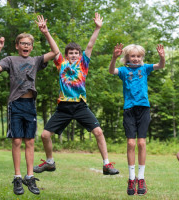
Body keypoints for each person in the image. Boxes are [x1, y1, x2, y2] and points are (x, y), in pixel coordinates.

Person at [33, 13, 119, 176]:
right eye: (70, 53)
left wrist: (97, 28)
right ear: (66, 56)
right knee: (45, 135)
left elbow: (90, 46)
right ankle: (50, 162)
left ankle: (106, 164)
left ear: (80, 55)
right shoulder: (61, 64)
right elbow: (55, 49)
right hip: (64, 107)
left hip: (80, 105)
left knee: (99, 132)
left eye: (76, 53)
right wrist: (46, 33)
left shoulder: (83, 64)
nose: (73, 55)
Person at [0, 15, 59, 195]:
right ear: (17, 45)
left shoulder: (36, 60)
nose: (26, 46)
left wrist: (46, 32)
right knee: (17, 141)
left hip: (30, 104)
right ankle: (17, 177)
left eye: (29, 44)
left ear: (32, 47)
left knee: (29, 141)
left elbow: (55, 52)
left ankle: (30, 177)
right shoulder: (10, 60)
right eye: (23, 43)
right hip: (15, 104)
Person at [108, 43, 166, 195]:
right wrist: (114, 58)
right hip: (129, 109)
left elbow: (160, 66)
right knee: (131, 143)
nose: (135, 58)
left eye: (138, 56)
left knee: (141, 143)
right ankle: (131, 178)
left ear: (142, 58)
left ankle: (141, 178)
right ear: (127, 57)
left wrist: (162, 57)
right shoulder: (123, 70)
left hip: (144, 109)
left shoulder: (145, 68)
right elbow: (111, 71)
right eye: (132, 56)